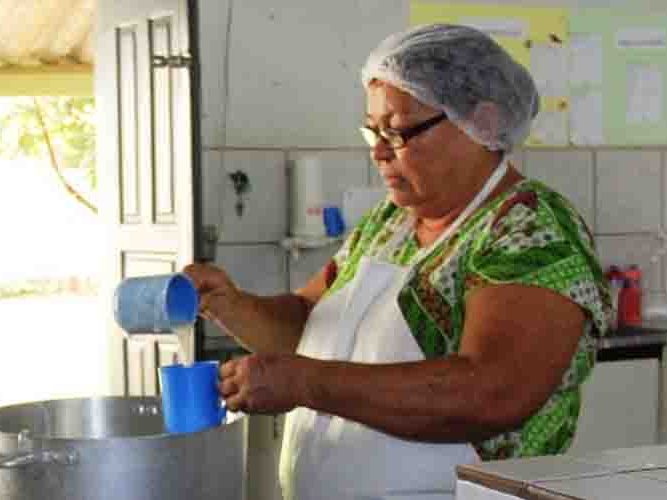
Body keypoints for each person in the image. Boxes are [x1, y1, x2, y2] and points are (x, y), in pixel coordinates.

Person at [183, 23, 611, 500]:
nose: (381, 153)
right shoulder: (391, 221)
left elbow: (492, 392)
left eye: (400, 132)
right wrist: (229, 304)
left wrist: (306, 382)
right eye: (373, 132)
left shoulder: (528, 229)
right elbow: (308, 325)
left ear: (482, 122)